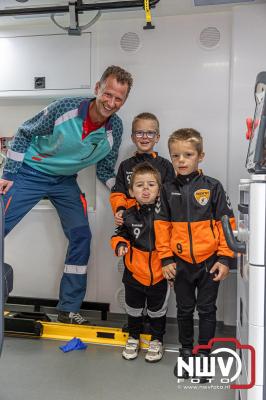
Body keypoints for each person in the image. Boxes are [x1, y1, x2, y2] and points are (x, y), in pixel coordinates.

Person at [0, 65, 133, 325]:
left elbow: (105, 168)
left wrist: (122, 191)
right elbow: (25, 132)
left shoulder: (114, 129)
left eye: (119, 98)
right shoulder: (65, 108)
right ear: (97, 89)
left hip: (64, 182)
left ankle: (68, 308)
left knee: (82, 234)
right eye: (108, 94)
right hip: (29, 171)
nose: (111, 102)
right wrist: (9, 174)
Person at [154, 128, 236, 380]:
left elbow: (227, 225)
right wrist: (166, 259)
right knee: (184, 309)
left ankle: (203, 355)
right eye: (175, 155)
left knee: (207, 309)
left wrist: (225, 258)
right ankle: (187, 353)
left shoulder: (213, 187)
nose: (181, 160)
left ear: (200, 156)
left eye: (188, 154)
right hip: (181, 265)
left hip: (209, 262)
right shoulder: (166, 190)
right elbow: (161, 228)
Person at [111, 162, 170, 362]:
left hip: (160, 274)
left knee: (157, 311)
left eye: (151, 185)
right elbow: (119, 235)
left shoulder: (167, 214)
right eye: (140, 185)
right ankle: (133, 337)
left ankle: (156, 340)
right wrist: (119, 245)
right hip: (134, 274)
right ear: (131, 190)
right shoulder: (127, 215)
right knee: (133, 309)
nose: (145, 189)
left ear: (159, 189)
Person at [110, 112, 175, 226]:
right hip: (131, 221)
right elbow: (118, 194)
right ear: (133, 138)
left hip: (158, 221)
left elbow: (170, 195)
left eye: (150, 133)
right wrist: (120, 210)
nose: (145, 137)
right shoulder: (125, 165)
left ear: (157, 137)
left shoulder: (166, 165)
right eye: (139, 133)